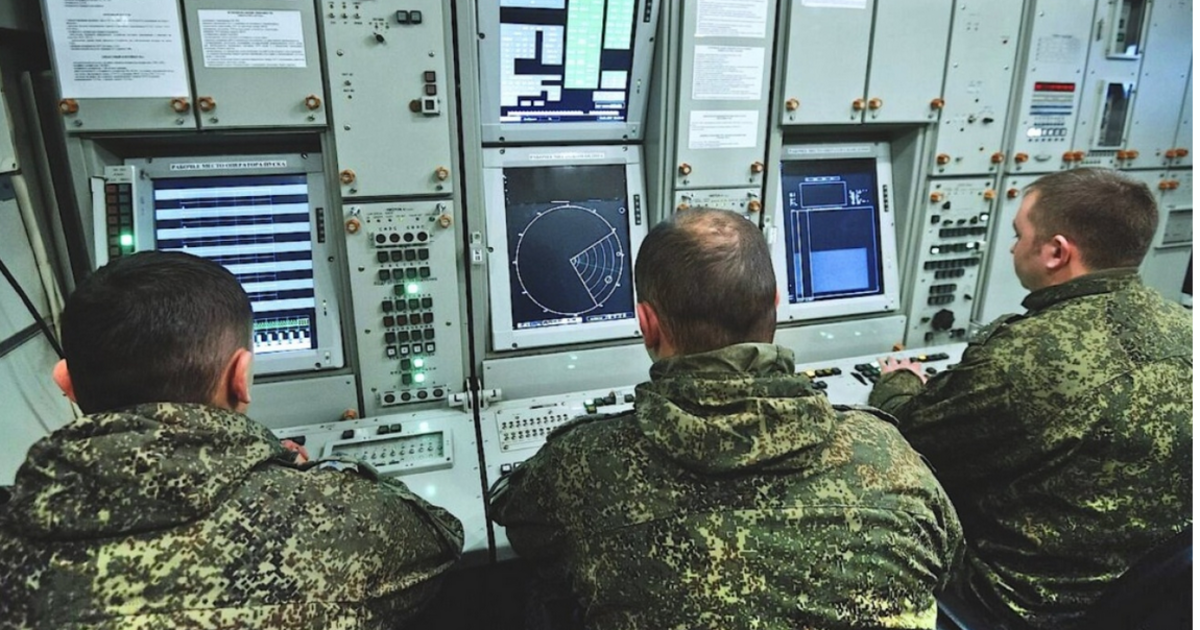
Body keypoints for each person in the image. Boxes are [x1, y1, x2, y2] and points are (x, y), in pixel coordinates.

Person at [491, 207, 963, 629]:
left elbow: (519, 522)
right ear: (775, 304)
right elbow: (948, 558)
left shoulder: (585, 464)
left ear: (647, 323)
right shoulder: (889, 457)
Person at [0, 251, 464, 629]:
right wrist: (302, 478)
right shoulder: (337, 523)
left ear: (66, 382)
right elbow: (443, 539)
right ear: (240, 376)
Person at [869, 167, 1195, 629]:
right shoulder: (1186, 329)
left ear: (1056, 252)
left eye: (1019, 234)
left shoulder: (1022, 357)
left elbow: (905, 436)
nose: (1011, 247)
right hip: (1152, 604)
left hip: (1018, 604)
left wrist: (898, 380)